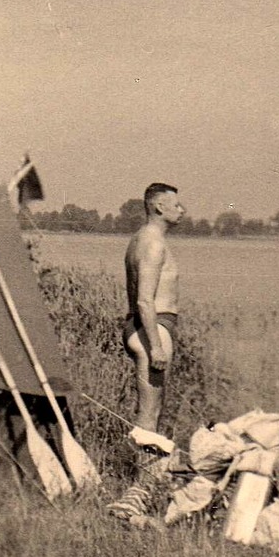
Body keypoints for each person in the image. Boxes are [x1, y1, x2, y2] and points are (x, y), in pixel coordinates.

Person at [122, 181, 184, 436]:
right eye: (177, 204)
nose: (182, 210)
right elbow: (144, 300)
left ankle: (147, 472)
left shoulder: (140, 239)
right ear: (159, 206)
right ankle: (143, 476)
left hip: (149, 326)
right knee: (148, 414)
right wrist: (156, 345)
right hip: (151, 327)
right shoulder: (152, 243)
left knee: (152, 411)